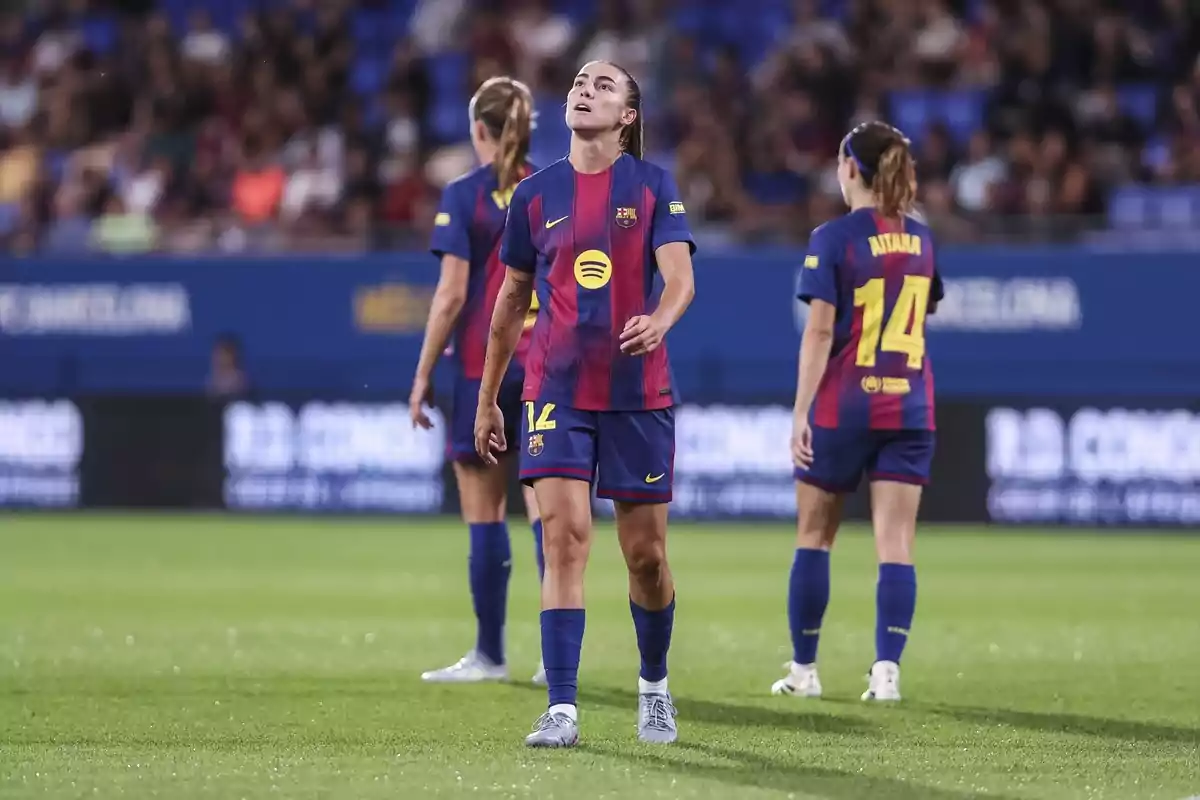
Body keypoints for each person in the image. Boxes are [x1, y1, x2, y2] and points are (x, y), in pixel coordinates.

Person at [474, 61, 696, 748]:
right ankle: (562, 707)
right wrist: (488, 399)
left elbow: (680, 279)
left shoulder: (653, 185)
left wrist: (659, 320)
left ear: (628, 116)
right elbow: (511, 301)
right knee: (564, 540)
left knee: (646, 559)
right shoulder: (535, 197)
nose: (583, 90)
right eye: (578, 82)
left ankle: (654, 685)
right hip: (555, 390)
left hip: (637, 394)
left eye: (603, 85)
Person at [773, 121, 944, 703]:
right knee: (896, 542)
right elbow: (924, 312)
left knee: (814, 537)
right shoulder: (922, 239)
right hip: (911, 405)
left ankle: (804, 670)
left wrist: (800, 412)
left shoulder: (833, 237)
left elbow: (819, 331)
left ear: (850, 168)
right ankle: (887, 671)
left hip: (845, 403)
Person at [409, 76, 546, 686]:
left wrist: (420, 377)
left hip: (483, 369)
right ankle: (555, 659)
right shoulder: (554, 189)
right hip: (547, 368)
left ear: (478, 131)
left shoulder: (465, 194)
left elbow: (452, 294)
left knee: (485, 513)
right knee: (550, 514)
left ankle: (490, 656)